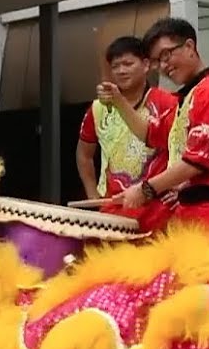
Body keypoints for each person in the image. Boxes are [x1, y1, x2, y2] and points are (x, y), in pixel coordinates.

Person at [115, 17, 209, 231]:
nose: (164, 66)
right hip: (191, 211)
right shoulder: (188, 96)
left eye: (166, 54)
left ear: (190, 46)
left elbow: (196, 163)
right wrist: (119, 101)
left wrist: (146, 190)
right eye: (158, 61)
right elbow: (150, 134)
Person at [76, 36, 178, 233]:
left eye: (128, 64)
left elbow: (186, 152)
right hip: (112, 211)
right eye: (115, 66)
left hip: (157, 210)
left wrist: (180, 188)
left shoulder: (167, 103)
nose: (121, 71)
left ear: (146, 65)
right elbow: (83, 154)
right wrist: (92, 195)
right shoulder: (97, 109)